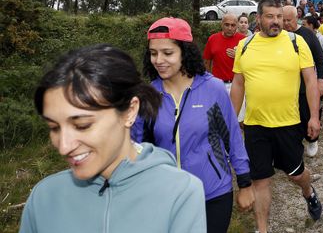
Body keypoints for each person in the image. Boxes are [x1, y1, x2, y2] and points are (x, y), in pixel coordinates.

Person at [20, 44, 206, 233]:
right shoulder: (44, 198)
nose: (64, 147)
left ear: (130, 111)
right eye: (54, 127)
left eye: (82, 125)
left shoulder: (180, 193)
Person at [132, 17, 254, 233]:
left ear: (185, 52)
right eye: (153, 53)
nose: (158, 60)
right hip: (165, 196)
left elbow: (233, 138)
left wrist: (244, 183)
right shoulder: (148, 96)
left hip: (213, 193)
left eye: (167, 53)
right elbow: (135, 147)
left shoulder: (212, 89)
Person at [230, 0, 322, 233]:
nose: (276, 21)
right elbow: (238, 84)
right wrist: (232, 118)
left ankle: (308, 192)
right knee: (260, 180)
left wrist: (313, 116)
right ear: (258, 18)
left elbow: (311, 81)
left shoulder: (296, 42)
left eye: (279, 16)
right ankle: (262, 229)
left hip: (288, 124)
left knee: (296, 174)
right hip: (255, 126)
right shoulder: (245, 46)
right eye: (270, 16)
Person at [283, 5, 323, 158]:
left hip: (306, 85)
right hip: (286, 86)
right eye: (283, 20)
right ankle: (294, 144)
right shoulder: (279, 36)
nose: (286, 23)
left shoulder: (307, 34)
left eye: (289, 20)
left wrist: (321, 81)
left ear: (297, 18)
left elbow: (320, 60)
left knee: (308, 114)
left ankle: (312, 139)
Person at [203, 13, 247, 122]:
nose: (230, 28)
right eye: (227, 25)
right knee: (218, 119)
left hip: (238, 85)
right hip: (218, 85)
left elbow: (251, 63)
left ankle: (238, 139)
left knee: (238, 120)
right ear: (221, 24)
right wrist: (208, 80)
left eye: (233, 25)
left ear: (237, 26)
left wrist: (239, 56)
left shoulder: (244, 40)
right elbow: (207, 62)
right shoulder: (213, 39)